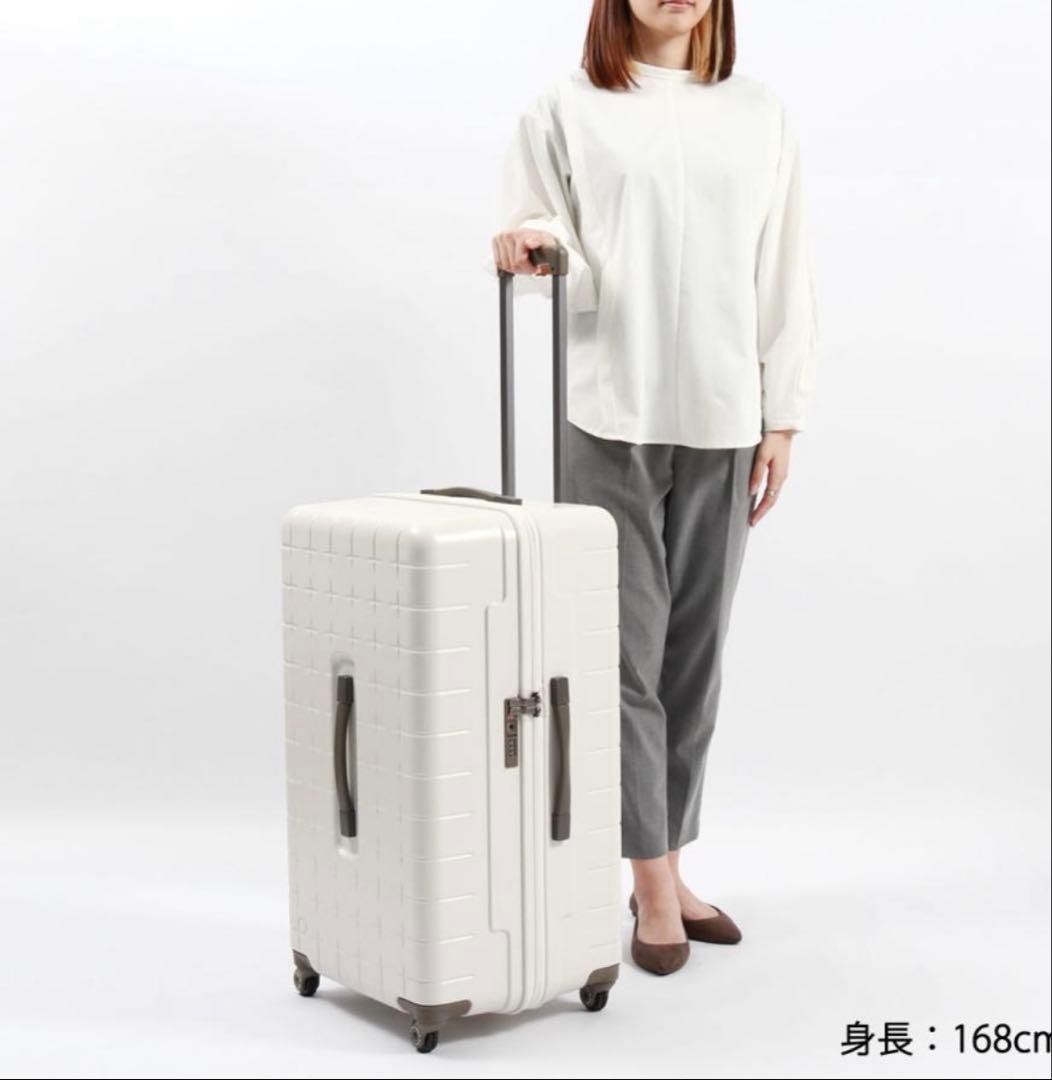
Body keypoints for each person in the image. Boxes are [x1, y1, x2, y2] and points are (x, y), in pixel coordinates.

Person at [488, 0, 820, 975]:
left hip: (723, 414)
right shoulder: (566, 106)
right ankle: (651, 883)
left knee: (693, 657)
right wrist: (530, 245)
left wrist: (783, 415)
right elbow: (542, 230)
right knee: (624, 653)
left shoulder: (758, 111)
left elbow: (783, 268)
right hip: (608, 409)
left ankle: (666, 865)